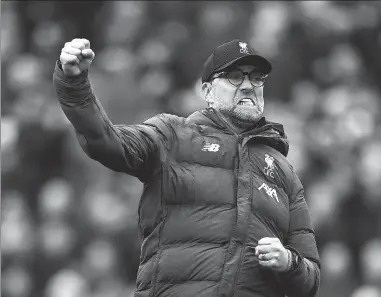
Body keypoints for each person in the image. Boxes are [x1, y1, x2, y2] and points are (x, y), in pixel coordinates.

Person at [53, 37, 321, 297]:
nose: (249, 85)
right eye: (235, 77)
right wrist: (75, 84)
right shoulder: (172, 135)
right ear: (207, 92)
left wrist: (289, 262)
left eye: (257, 78)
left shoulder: (284, 172)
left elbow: (310, 281)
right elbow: (106, 142)